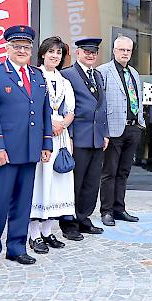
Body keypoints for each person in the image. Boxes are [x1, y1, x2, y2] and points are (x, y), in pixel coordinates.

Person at [0, 25, 53, 272]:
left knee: (23, 203)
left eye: (26, 47)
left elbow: (44, 112)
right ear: (7, 47)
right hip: (5, 152)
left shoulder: (37, 75)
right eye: (17, 46)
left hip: (31, 149)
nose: (22, 51)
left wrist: (46, 143)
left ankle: (16, 248)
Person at [28, 37, 75, 254]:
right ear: (43, 53)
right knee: (40, 182)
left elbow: (71, 110)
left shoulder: (64, 81)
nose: (55, 56)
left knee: (57, 183)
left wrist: (62, 124)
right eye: (51, 52)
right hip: (40, 135)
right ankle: (34, 234)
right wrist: (50, 125)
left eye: (58, 52)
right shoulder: (33, 76)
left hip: (60, 136)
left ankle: (48, 231)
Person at [59, 38, 109, 239]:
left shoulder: (97, 75)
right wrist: (68, 135)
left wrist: (104, 134)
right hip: (77, 137)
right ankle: (69, 223)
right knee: (75, 182)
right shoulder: (67, 75)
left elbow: (101, 107)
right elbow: (64, 107)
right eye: (86, 51)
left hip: (96, 138)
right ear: (77, 53)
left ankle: (84, 218)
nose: (90, 55)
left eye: (94, 52)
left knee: (91, 182)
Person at [97, 36, 144, 226]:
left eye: (128, 50)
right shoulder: (104, 71)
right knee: (109, 172)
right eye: (121, 50)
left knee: (123, 172)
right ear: (114, 50)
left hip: (133, 128)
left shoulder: (134, 72)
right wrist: (104, 132)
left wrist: (140, 123)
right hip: (113, 129)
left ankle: (119, 208)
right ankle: (106, 210)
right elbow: (100, 104)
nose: (125, 53)